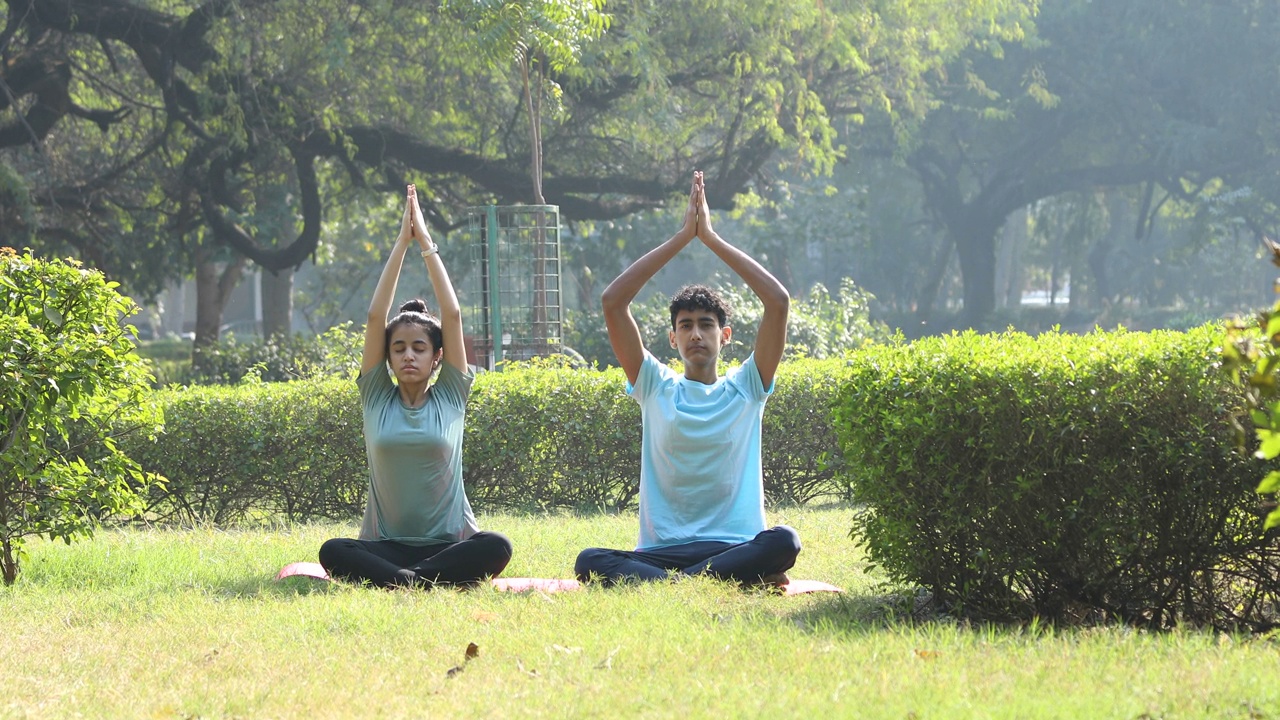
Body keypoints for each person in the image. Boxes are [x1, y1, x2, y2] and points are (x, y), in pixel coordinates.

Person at [574, 171, 801, 586]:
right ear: (673, 337)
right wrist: (683, 237)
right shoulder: (654, 384)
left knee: (785, 541)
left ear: (725, 335)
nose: (696, 334)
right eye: (686, 325)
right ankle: (722, 580)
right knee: (590, 560)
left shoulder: (747, 387)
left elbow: (778, 302)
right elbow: (612, 301)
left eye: (707, 325)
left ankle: (696, 580)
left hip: (735, 545)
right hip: (661, 553)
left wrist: (710, 238)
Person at [319, 185, 512, 588]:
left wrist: (425, 242)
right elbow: (375, 317)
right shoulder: (376, 397)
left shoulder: (450, 396)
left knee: (497, 545)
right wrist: (399, 245)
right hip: (385, 544)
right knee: (333, 551)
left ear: (436, 357)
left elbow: (454, 316)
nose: (408, 356)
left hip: (449, 544)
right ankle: (418, 580)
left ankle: (404, 581)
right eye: (399, 348)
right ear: (387, 357)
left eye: (419, 348)